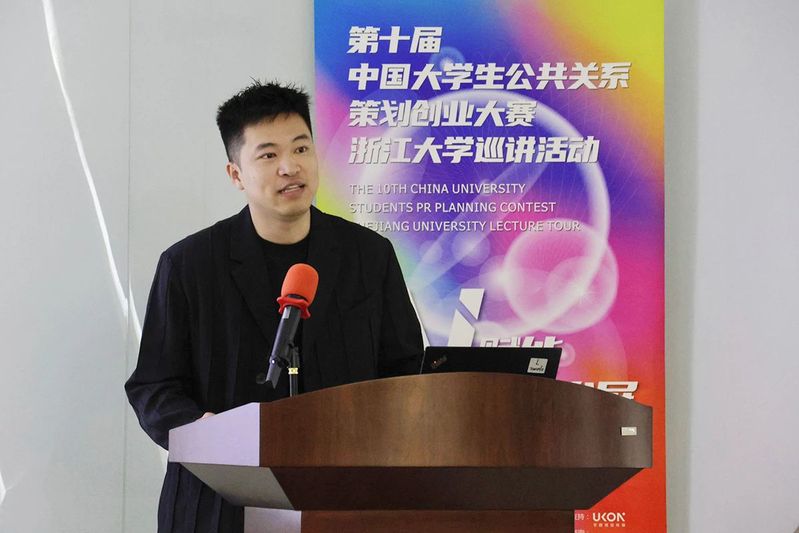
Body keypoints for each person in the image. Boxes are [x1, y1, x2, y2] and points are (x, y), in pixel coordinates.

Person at [125, 81, 424, 533]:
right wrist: (204, 430)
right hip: (219, 504)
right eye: (268, 155)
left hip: (344, 500)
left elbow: (404, 371)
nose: (290, 167)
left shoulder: (368, 255)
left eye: (301, 148)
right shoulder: (189, 265)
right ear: (236, 174)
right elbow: (153, 386)